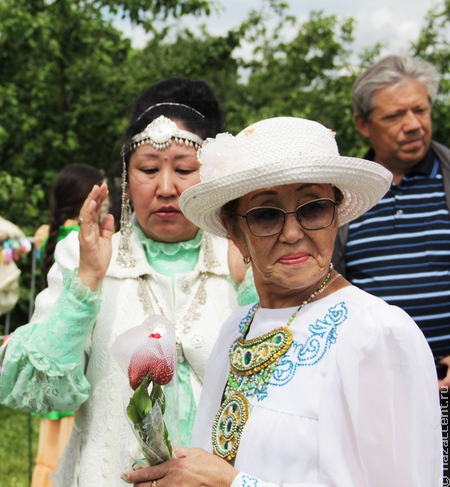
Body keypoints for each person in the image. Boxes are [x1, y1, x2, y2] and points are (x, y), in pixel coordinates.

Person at [128, 116, 441, 486]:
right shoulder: (237, 327)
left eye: (313, 208)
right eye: (265, 215)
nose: (293, 233)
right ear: (234, 232)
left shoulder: (377, 333)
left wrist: (233, 484)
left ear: (336, 214)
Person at [0, 77, 240, 485]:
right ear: (127, 178)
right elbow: (36, 391)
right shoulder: (86, 257)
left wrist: (250, 286)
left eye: (184, 169)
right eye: (148, 169)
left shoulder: (241, 255)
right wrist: (88, 282)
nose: (166, 188)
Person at [332, 55, 450, 378]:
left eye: (420, 110)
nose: (413, 125)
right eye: (396, 115)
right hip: (376, 386)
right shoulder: (343, 195)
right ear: (363, 124)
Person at [30, 162, 106, 487]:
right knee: (66, 445)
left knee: (50, 445)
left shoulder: (47, 235)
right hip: (74, 353)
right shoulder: (82, 242)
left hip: (54, 348)